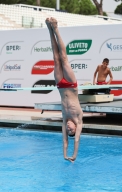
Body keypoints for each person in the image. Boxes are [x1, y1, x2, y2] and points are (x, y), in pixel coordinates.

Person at [45, 17, 83, 162]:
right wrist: (74, 155)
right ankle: (56, 28)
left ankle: (49, 29)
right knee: (64, 58)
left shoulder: (65, 120)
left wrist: (64, 155)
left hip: (60, 85)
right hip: (71, 85)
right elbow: (76, 140)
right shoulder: (78, 121)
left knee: (55, 58)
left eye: (68, 130)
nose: (68, 128)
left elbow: (65, 141)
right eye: (71, 129)